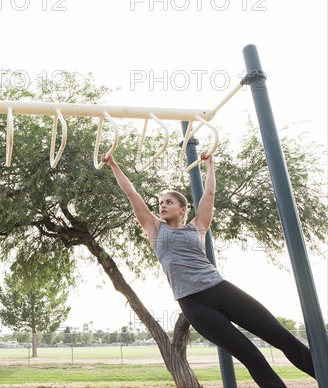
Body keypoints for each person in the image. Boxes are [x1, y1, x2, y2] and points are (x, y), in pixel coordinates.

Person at [101, 152, 316, 388]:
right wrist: (113, 164)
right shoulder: (155, 229)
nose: (162, 206)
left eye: (168, 202)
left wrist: (210, 165)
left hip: (220, 290)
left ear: (183, 209)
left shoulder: (198, 226)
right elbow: (132, 193)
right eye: (160, 203)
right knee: (252, 357)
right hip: (195, 306)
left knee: (282, 337)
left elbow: (210, 194)